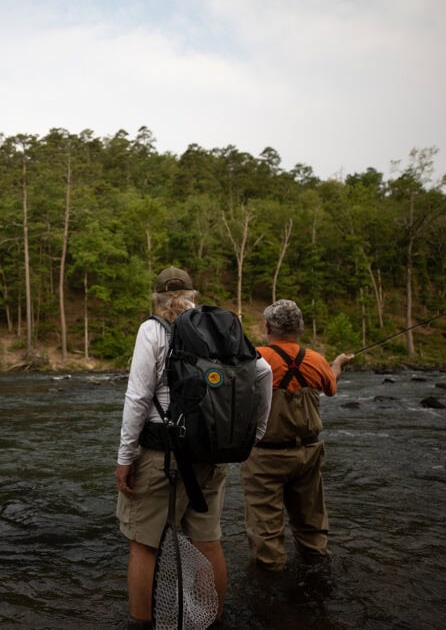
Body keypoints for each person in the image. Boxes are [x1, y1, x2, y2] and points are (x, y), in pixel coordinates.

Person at [115, 267, 273, 628]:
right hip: (212, 452)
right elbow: (263, 373)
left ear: (156, 297)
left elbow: (138, 398)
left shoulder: (152, 330)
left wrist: (125, 458)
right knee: (208, 541)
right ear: (193, 295)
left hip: (161, 455)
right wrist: (256, 433)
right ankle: (213, 620)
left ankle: (141, 623)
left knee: (144, 544)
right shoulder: (222, 329)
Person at [240, 299, 354, 571]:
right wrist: (337, 363)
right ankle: (317, 573)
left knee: (265, 528)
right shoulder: (315, 360)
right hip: (308, 454)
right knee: (311, 520)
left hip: (264, 457)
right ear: (300, 328)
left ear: (267, 326)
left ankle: (272, 581)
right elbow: (331, 385)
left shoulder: (256, 359)